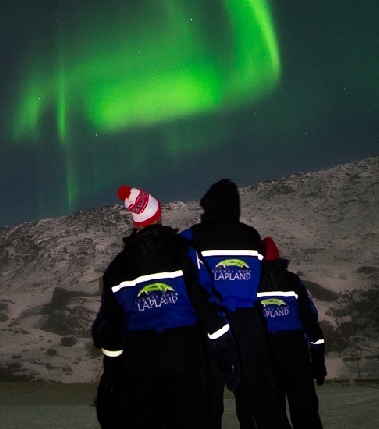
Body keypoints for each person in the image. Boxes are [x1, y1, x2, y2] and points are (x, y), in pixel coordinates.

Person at [91, 184, 239, 429]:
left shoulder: (117, 267)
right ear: (158, 216)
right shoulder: (183, 251)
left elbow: (112, 325)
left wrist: (112, 372)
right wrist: (227, 348)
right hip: (184, 351)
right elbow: (205, 302)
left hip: (140, 356)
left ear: (136, 222)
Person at [181, 179, 290, 429]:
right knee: (264, 400)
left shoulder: (192, 237)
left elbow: (183, 275)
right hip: (248, 325)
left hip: (209, 325)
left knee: (206, 402)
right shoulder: (251, 237)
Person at [236, 236, 325, 429]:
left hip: (263, 352)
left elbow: (241, 321)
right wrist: (318, 357)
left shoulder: (249, 283)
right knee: (305, 410)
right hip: (295, 352)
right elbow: (310, 318)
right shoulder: (292, 281)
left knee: (267, 413)